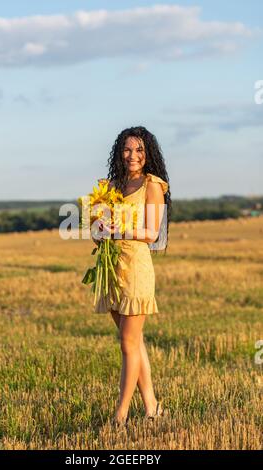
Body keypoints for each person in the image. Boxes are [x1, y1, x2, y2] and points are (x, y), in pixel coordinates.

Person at [92, 126, 171, 427]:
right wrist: (98, 233)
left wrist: (117, 231)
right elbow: (99, 227)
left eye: (138, 150)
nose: (132, 155)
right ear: (119, 152)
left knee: (127, 342)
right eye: (127, 149)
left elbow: (151, 233)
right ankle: (151, 406)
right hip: (113, 269)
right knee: (134, 343)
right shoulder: (112, 185)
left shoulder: (152, 185)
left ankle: (120, 415)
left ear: (147, 153)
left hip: (137, 267)